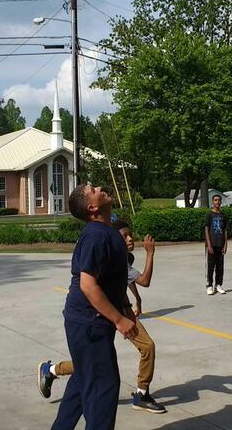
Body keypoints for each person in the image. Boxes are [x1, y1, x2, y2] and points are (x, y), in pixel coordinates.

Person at [38, 221, 166, 414]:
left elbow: (127, 281)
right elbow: (144, 280)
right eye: (124, 236)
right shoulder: (117, 258)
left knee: (140, 348)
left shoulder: (123, 259)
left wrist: (137, 300)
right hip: (108, 312)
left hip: (122, 309)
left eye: (130, 234)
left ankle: (141, 393)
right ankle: (53, 370)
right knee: (96, 361)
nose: (130, 238)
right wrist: (150, 253)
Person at [50, 184, 138, 430]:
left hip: (87, 323)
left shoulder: (104, 231)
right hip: (90, 324)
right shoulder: (97, 235)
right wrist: (119, 320)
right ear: (92, 207)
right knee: (103, 389)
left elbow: (111, 279)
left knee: (82, 382)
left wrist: (125, 309)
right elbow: (89, 285)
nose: (99, 187)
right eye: (93, 189)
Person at [205, 194, 228, 295]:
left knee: (220, 266)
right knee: (210, 266)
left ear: (221, 202)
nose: (217, 202)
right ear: (212, 202)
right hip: (212, 244)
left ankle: (218, 285)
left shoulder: (224, 215)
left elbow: (225, 230)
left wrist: (225, 244)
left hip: (220, 244)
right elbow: (206, 229)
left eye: (219, 200)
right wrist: (209, 245)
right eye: (215, 200)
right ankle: (209, 285)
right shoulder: (209, 215)